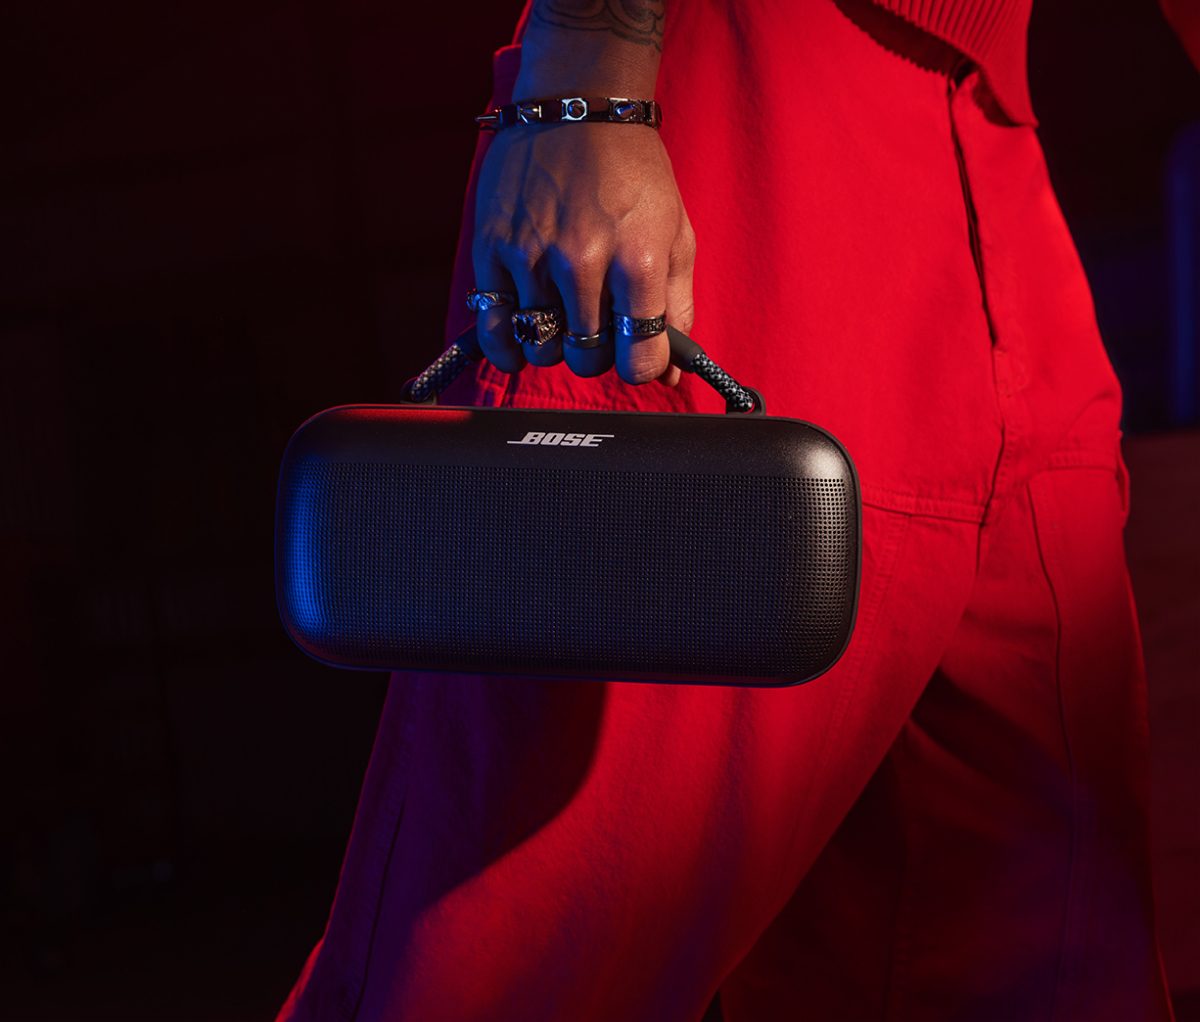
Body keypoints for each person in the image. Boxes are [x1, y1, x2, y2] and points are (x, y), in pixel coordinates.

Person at [279, 1, 1187, 1018]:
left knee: (1040, 946)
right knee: (513, 954)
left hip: (995, 147)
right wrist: (585, 79)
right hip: (728, 107)